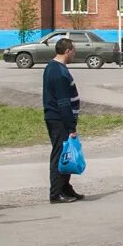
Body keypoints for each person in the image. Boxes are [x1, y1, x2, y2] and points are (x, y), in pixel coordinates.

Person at [43, 38, 83, 203]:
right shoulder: (58, 72)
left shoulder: (55, 68)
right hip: (59, 119)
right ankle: (56, 193)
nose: (74, 53)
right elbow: (63, 102)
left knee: (67, 154)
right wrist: (71, 126)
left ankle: (66, 188)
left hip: (60, 118)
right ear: (68, 51)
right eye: (73, 50)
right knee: (60, 155)